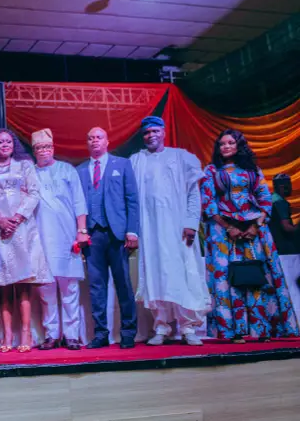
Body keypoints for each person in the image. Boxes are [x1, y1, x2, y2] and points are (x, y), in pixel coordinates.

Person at [201, 129, 298, 342]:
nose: (225, 147)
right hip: (223, 231)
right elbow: (208, 202)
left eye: (230, 143)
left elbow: (264, 196)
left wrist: (257, 224)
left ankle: (262, 328)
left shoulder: (253, 170)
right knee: (228, 277)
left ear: (239, 146)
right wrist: (228, 227)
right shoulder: (211, 171)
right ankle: (232, 330)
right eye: (222, 144)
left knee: (258, 274)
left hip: (254, 228)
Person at [130, 117, 210, 346]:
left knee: (183, 274)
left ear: (164, 132)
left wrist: (191, 223)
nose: (151, 135)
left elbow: (194, 195)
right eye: (146, 133)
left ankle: (187, 328)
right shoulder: (136, 161)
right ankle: (162, 328)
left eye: (155, 130)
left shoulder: (182, 157)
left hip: (179, 229)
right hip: (151, 230)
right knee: (156, 276)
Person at [0, 129, 52, 353]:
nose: (5, 145)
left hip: (22, 229)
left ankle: (26, 332)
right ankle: (7, 334)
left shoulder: (25, 165)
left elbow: (34, 193)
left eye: (8, 141)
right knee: (3, 284)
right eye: (0, 142)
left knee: (23, 283)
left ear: (14, 145)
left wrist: (18, 217)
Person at [78, 127, 139, 349]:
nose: (94, 141)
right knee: (96, 287)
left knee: (123, 284)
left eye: (98, 137)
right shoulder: (81, 170)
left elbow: (132, 199)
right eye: (90, 138)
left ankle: (128, 332)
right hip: (93, 236)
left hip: (117, 234)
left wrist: (132, 231)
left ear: (107, 141)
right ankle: (101, 334)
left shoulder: (122, 165)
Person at [31, 129, 88, 351]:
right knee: (46, 291)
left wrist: (82, 231)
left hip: (66, 238)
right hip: (40, 239)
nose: (43, 151)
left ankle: (72, 335)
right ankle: (51, 334)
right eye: (38, 148)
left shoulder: (66, 170)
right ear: (34, 151)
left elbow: (79, 202)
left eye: (46, 147)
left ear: (52, 148)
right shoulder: (30, 173)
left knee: (69, 289)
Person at [269, 174, 298, 255]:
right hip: (285, 246)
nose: (291, 188)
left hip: (273, 244)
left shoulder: (270, 199)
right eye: (289, 185)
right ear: (282, 187)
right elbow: (286, 227)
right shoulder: (280, 202)